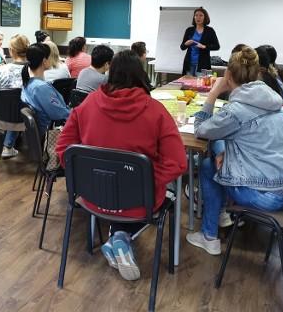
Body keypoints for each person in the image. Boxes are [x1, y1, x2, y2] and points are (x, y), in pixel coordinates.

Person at [56, 50, 187, 281]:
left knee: (117, 192)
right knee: (172, 197)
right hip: (139, 202)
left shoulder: (87, 105)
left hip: (92, 197)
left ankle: (118, 235)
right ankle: (121, 236)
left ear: (110, 72)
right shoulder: (156, 111)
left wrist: (87, 178)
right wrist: (138, 180)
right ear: (140, 75)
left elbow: (63, 150)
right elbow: (178, 163)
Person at [186, 46, 283, 256]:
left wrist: (213, 94)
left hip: (265, 195)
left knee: (206, 167)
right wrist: (222, 151)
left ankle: (209, 236)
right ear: (258, 75)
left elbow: (201, 130)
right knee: (217, 160)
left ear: (227, 75)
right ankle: (222, 215)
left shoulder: (235, 111)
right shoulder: (277, 104)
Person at [0, 34, 30, 158]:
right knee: (20, 107)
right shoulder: (35, 72)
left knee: (11, 107)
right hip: (26, 121)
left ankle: (8, 145)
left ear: (11, 50)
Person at [21, 43, 71, 136]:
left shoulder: (28, 82)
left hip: (37, 132)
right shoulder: (41, 88)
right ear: (44, 61)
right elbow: (58, 113)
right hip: (47, 133)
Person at [180, 7, 220, 76]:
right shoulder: (189, 30)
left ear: (205, 17)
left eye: (200, 15)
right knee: (188, 85)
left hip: (202, 64)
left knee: (199, 85)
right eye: (196, 15)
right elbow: (182, 47)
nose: (198, 17)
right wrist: (186, 44)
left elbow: (217, 46)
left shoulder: (209, 31)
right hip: (189, 64)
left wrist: (204, 46)